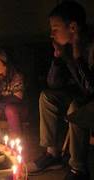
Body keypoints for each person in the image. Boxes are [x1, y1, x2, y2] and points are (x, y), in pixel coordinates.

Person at [27, 1, 94, 180]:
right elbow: (54, 85)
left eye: (55, 28)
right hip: (79, 93)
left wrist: (78, 57)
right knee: (47, 97)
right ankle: (52, 153)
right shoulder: (66, 46)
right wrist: (58, 58)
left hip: (90, 99)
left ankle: (78, 168)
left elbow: (91, 89)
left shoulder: (90, 46)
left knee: (76, 106)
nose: (51, 33)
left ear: (72, 27)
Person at [0, 48, 27, 139]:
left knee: (10, 109)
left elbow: (18, 98)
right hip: (1, 109)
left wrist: (0, 105)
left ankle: (15, 139)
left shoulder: (16, 77)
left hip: (17, 110)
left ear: (5, 66)